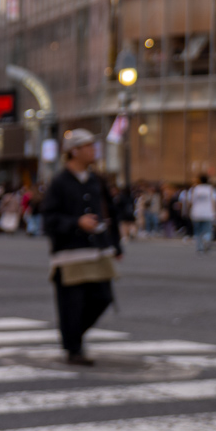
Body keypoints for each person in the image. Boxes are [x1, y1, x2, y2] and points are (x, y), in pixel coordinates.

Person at [41, 129, 122, 366]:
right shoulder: (59, 182)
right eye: (88, 146)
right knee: (71, 304)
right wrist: (76, 222)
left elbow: (111, 212)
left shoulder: (97, 180)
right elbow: (48, 218)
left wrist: (116, 245)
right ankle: (73, 348)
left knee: (103, 298)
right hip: (69, 252)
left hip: (98, 249)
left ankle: (73, 336)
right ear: (74, 151)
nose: (93, 150)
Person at [189, 174, 216, 254]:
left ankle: (200, 247)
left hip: (197, 212)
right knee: (208, 229)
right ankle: (206, 239)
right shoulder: (211, 189)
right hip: (208, 212)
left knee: (198, 231)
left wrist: (190, 210)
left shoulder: (195, 189)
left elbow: (191, 201)